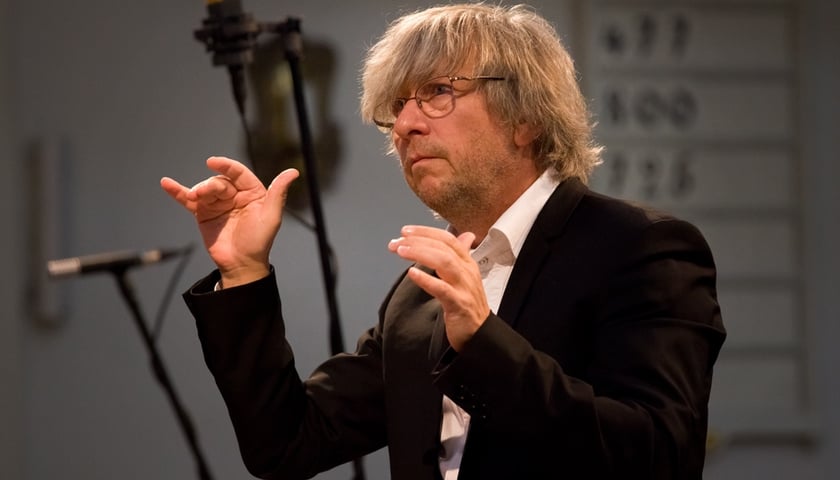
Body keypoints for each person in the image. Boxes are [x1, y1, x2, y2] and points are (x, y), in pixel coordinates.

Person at [160, 4, 725, 479]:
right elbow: (285, 444)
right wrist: (245, 271)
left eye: (436, 91)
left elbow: (659, 456)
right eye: (398, 105)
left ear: (525, 116)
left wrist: (482, 343)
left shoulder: (640, 250)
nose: (406, 125)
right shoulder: (420, 294)